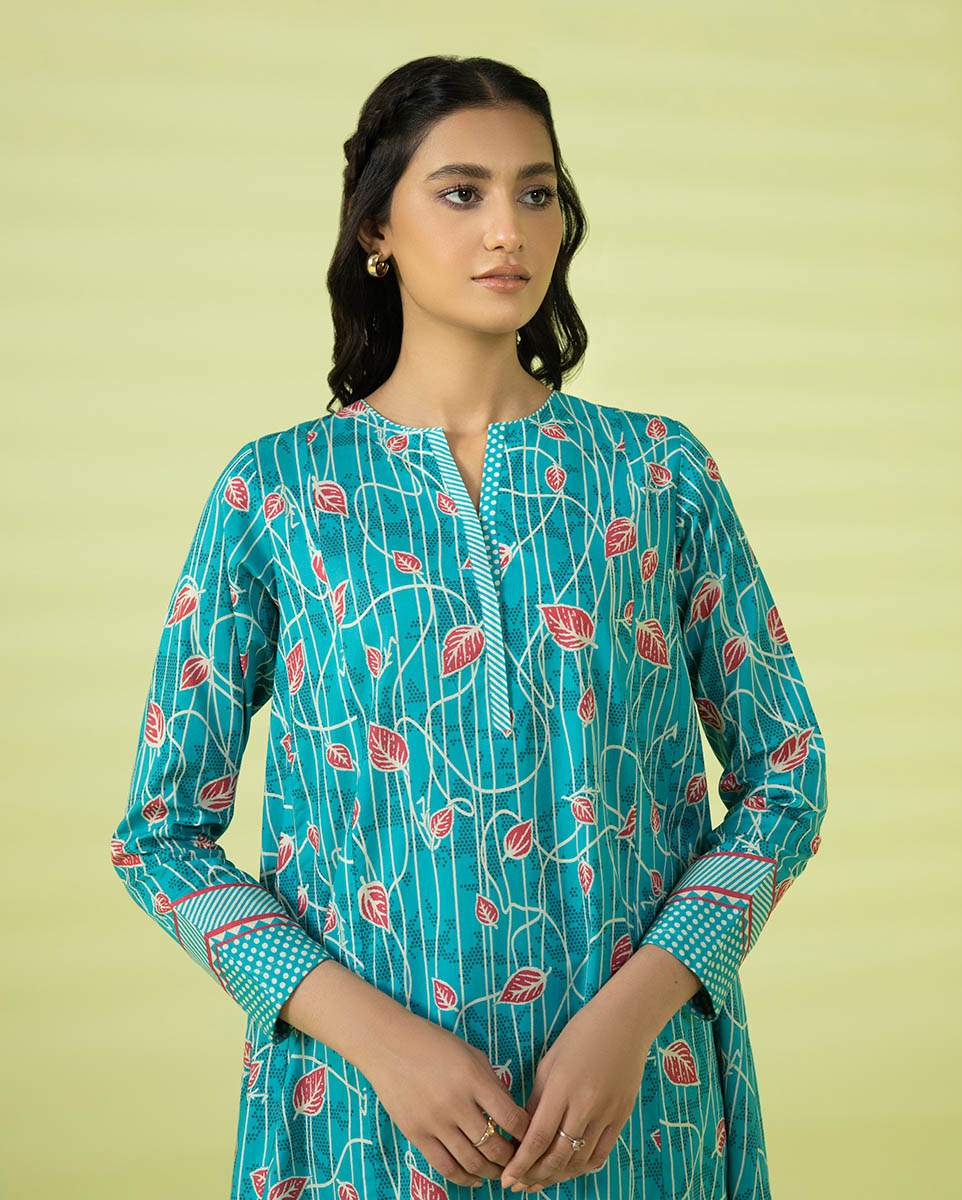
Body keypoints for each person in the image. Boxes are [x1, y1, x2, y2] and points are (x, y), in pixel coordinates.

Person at [109, 53, 828, 1200]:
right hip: (358, 1119)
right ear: (375, 230)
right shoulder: (277, 493)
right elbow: (159, 835)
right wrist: (380, 1043)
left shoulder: (656, 472)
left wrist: (634, 1015)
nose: (509, 230)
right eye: (462, 193)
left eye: (536, 193)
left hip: (640, 1109)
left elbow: (786, 774)